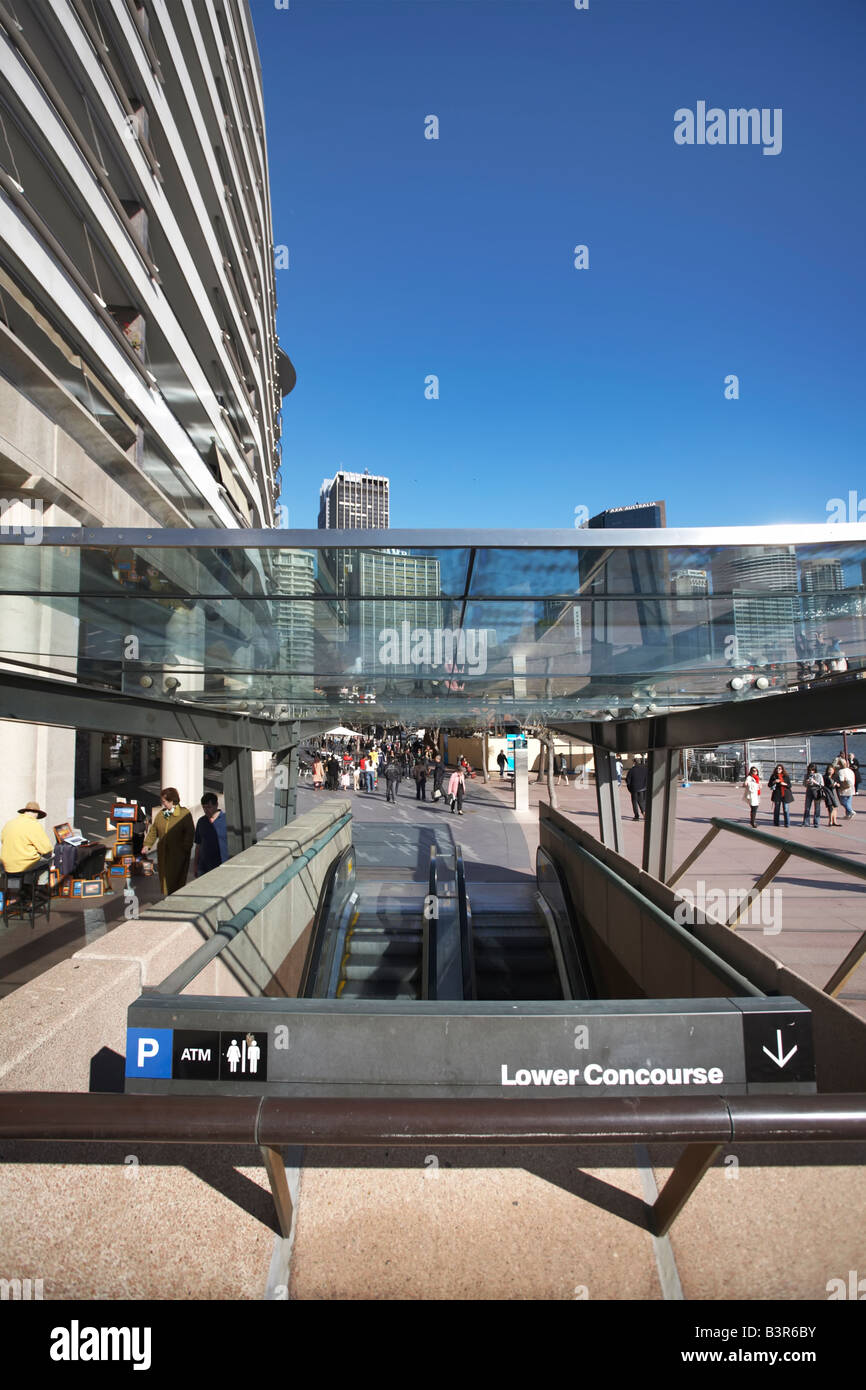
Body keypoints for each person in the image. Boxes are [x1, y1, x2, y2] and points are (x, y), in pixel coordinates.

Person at [142, 787, 195, 895]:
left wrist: (185, 848)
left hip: (178, 854)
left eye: (164, 801)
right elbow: (154, 830)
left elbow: (190, 833)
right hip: (164, 853)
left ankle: (175, 898)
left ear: (172, 801)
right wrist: (147, 845)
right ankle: (168, 897)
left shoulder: (184, 813)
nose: (163, 804)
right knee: (165, 878)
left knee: (176, 879)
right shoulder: (162, 814)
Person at [1, 800, 53, 874]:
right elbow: (46, 849)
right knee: (48, 860)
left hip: (6, 865)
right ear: (36, 813)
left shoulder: (9, 823)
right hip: (25, 864)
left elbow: (3, 841)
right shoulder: (34, 824)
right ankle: (41, 885)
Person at [194, 793, 228, 877]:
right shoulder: (201, 821)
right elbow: (198, 845)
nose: (206, 810)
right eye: (204, 807)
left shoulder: (227, 820)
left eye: (209, 807)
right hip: (204, 868)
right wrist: (195, 865)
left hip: (222, 866)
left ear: (216, 805)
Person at [768, 764, 792, 829]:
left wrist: (784, 784)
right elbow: (769, 785)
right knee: (777, 809)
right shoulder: (773, 776)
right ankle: (776, 823)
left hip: (785, 794)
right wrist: (774, 781)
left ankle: (787, 823)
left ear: (782, 770)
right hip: (777, 794)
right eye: (777, 768)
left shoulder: (786, 776)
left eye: (780, 769)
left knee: (786, 809)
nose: (778, 770)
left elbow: (790, 785)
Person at [625, 756, 647, 820]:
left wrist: (630, 789)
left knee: (634, 802)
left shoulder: (631, 770)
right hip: (643, 788)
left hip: (634, 789)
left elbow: (628, 781)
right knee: (642, 801)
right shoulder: (645, 769)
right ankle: (644, 812)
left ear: (634, 762)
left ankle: (636, 816)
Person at [802, 764, 824, 828]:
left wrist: (815, 782)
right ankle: (806, 822)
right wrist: (806, 782)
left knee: (817, 807)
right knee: (807, 807)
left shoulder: (819, 775)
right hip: (809, 791)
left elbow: (822, 785)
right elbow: (804, 785)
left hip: (817, 791)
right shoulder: (806, 775)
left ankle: (816, 823)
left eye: (813, 770)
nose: (811, 771)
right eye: (810, 770)